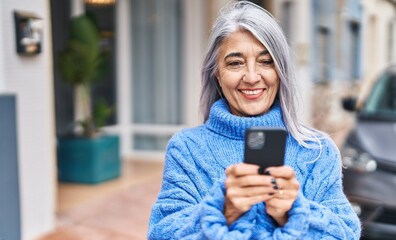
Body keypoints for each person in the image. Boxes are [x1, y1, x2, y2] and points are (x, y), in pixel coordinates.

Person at [148, 1, 361, 239]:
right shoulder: (187, 149)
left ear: (281, 71)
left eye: (266, 61)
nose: (251, 77)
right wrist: (223, 210)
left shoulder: (317, 150)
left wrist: (295, 212)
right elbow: (161, 232)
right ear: (217, 73)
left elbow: (345, 233)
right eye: (235, 63)